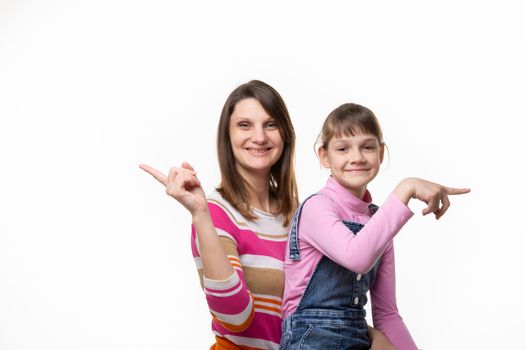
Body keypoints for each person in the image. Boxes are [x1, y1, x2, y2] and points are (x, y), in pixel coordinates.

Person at [140, 81, 397, 350]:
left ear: (285, 134)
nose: (260, 137)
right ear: (227, 137)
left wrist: (369, 336)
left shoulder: (302, 214)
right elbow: (234, 318)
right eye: (244, 125)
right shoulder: (216, 213)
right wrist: (201, 214)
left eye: (271, 124)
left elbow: (322, 308)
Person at [280, 103, 470, 350]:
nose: (357, 157)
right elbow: (357, 256)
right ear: (324, 156)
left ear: (381, 153)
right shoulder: (316, 208)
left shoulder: (378, 220)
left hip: (358, 338)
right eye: (343, 148)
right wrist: (406, 187)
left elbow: (387, 315)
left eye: (367, 147)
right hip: (310, 339)